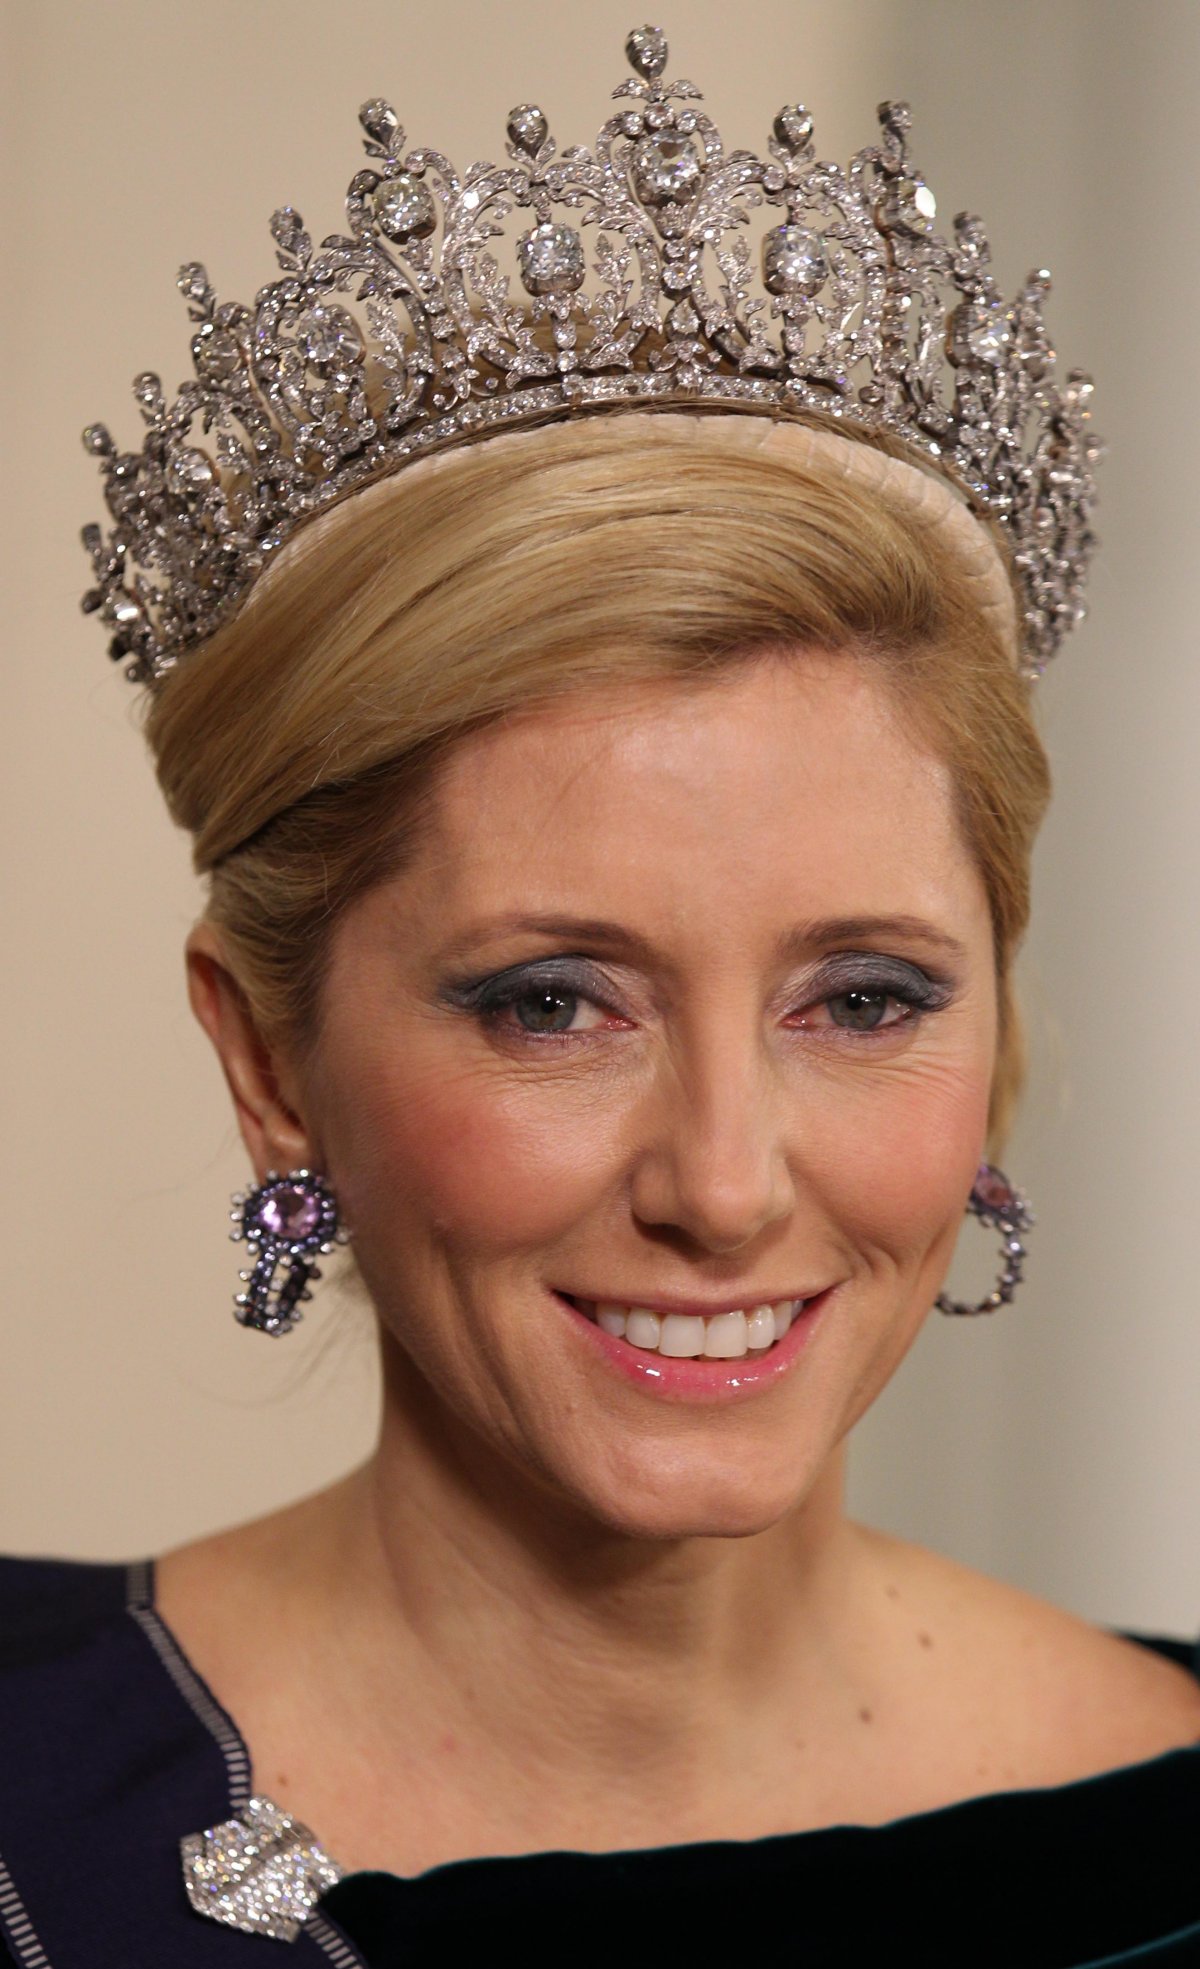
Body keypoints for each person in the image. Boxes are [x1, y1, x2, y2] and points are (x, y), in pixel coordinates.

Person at [3, 24, 1198, 1968]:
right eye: (555, 1003)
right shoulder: (33, 1802)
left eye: (869, 996)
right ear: (266, 1054)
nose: (723, 1185)